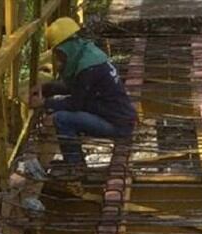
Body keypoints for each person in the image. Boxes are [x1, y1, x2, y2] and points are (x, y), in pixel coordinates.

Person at [30, 17, 136, 177]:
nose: (58, 61)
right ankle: (74, 162)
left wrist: (45, 104)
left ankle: (75, 167)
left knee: (61, 119)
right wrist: (46, 88)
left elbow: (76, 104)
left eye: (59, 55)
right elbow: (76, 87)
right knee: (65, 115)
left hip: (117, 125)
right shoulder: (89, 54)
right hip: (121, 117)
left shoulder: (88, 69)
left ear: (65, 50)